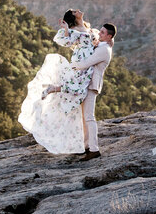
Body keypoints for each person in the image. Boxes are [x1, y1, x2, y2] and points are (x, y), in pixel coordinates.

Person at [17, 9, 98, 154]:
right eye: (74, 11)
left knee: (79, 91)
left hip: (90, 63)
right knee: (78, 88)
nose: (78, 10)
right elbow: (62, 41)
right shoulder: (73, 30)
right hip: (81, 61)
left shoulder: (87, 26)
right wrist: (66, 30)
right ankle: (52, 89)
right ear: (73, 16)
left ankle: (85, 142)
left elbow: (95, 41)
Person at [71, 23, 116, 160]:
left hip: (91, 85)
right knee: (84, 117)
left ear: (109, 36)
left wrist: (72, 65)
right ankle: (85, 146)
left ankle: (94, 149)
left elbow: (86, 63)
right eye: (100, 31)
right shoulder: (101, 46)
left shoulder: (104, 50)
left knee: (89, 117)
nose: (99, 34)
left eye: (102, 33)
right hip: (86, 83)